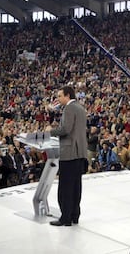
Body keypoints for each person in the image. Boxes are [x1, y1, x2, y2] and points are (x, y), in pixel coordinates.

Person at [45, 86, 87, 227]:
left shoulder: (69, 108)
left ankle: (66, 218)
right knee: (76, 187)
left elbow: (65, 129)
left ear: (67, 95)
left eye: (60, 96)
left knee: (66, 187)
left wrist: (51, 131)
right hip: (80, 152)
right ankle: (75, 216)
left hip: (69, 153)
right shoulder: (80, 108)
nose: (58, 99)